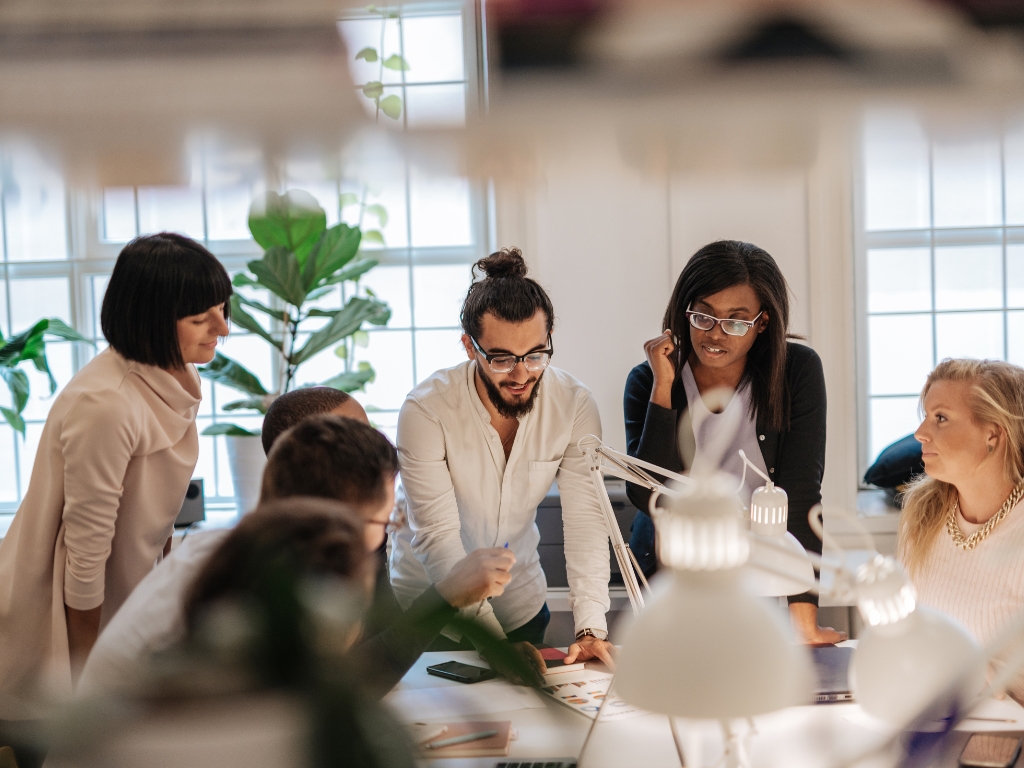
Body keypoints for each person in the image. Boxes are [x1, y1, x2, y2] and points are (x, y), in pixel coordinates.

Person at [78, 405, 513, 698]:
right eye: (384, 521)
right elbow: (341, 689)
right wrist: (445, 596)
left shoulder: (235, 548)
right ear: (339, 520)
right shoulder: (261, 585)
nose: (383, 538)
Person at [0, 233, 231, 717]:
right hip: (57, 623)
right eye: (199, 318)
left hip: (121, 607)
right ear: (150, 320)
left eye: (221, 309)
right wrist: (88, 674)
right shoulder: (107, 403)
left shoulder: (171, 379)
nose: (221, 328)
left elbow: (157, 519)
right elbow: (86, 554)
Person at [391, 247, 616, 669]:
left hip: (520, 605)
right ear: (468, 347)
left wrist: (590, 627)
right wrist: (491, 643)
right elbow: (437, 536)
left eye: (535, 355)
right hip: (432, 612)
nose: (521, 374)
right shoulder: (426, 410)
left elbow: (587, 518)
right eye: (501, 358)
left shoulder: (573, 404)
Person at [623, 240, 844, 644]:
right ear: (683, 310)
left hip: (760, 570)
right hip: (672, 572)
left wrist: (804, 621)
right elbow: (643, 494)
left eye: (736, 321)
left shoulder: (797, 372)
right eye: (702, 317)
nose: (716, 335)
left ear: (762, 323)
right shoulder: (649, 379)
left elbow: (799, 492)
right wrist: (664, 387)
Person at [899, 358, 1024, 698]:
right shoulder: (923, 514)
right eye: (925, 416)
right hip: (931, 710)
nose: (920, 433)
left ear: (993, 435)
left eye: (941, 418)